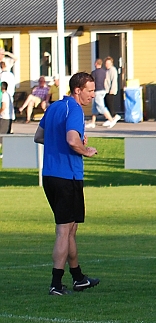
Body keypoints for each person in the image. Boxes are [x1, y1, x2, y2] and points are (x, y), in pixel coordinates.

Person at [33, 72, 100, 296]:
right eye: (90, 90)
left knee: (71, 227)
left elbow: (39, 136)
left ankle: (79, 278)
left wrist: (66, 141)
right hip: (66, 176)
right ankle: (56, 283)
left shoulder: (53, 107)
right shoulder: (75, 110)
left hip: (50, 175)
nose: (93, 94)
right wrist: (85, 150)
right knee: (64, 230)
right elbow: (72, 141)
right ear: (78, 90)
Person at [103, 57, 121, 126]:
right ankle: (110, 118)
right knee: (106, 104)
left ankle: (115, 115)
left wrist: (112, 89)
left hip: (110, 90)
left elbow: (114, 80)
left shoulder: (113, 70)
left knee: (110, 104)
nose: (107, 65)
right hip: (106, 90)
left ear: (111, 63)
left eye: (108, 63)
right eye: (106, 63)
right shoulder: (106, 70)